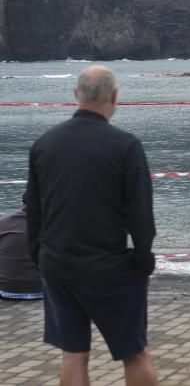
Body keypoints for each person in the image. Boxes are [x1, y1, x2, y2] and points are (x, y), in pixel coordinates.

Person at [25, 65, 158, 385]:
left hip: (57, 264)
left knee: (73, 354)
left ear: (76, 96)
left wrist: (38, 257)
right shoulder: (126, 146)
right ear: (114, 97)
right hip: (109, 267)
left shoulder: (44, 144)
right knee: (134, 353)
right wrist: (143, 259)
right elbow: (141, 215)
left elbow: (34, 210)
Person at [0, 198, 43, 300]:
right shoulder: (53, 224)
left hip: (7, 291)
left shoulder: (4, 222)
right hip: (44, 290)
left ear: (22, 203)